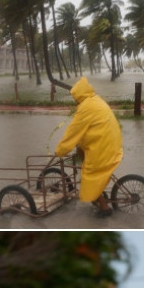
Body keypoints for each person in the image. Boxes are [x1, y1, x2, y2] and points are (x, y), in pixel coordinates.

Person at [55, 77, 123, 217]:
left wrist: (60, 151)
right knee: (81, 151)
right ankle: (99, 193)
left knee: (89, 176)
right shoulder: (96, 100)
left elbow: (72, 132)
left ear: (79, 95)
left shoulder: (85, 108)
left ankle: (104, 208)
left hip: (103, 148)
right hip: (112, 143)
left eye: (75, 97)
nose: (74, 100)